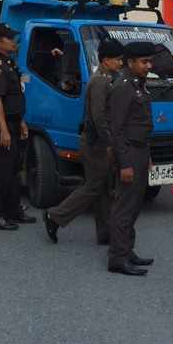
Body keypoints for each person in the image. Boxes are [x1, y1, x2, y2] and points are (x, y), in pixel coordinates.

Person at [43, 38, 125, 244]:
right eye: (117, 60)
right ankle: (55, 216)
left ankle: (105, 232)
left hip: (98, 140)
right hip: (96, 142)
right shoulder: (100, 81)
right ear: (105, 60)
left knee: (105, 188)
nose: (120, 63)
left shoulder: (108, 78)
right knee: (93, 186)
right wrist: (108, 143)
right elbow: (99, 116)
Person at [107, 41, 156, 276]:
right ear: (130, 62)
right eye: (144, 62)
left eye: (149, 61)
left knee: (135, 204)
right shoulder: (123, 87)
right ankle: (118, 258)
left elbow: (142, 124)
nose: (149, 65)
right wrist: (125, 163)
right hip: (128, 152)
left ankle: (127, 251)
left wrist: (147, 156)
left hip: (140, 150)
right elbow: (116, 129)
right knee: (124, 207)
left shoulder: (138, 84)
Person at [0, 23, 36, 231]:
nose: (14, 41)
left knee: (14, 169)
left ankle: (13, 210)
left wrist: (21, 121)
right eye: (10, 38)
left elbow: (15, 98)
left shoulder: (9, 63)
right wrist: (4, 130)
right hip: (3, 126)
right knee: (1, 173)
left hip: (15, 122)